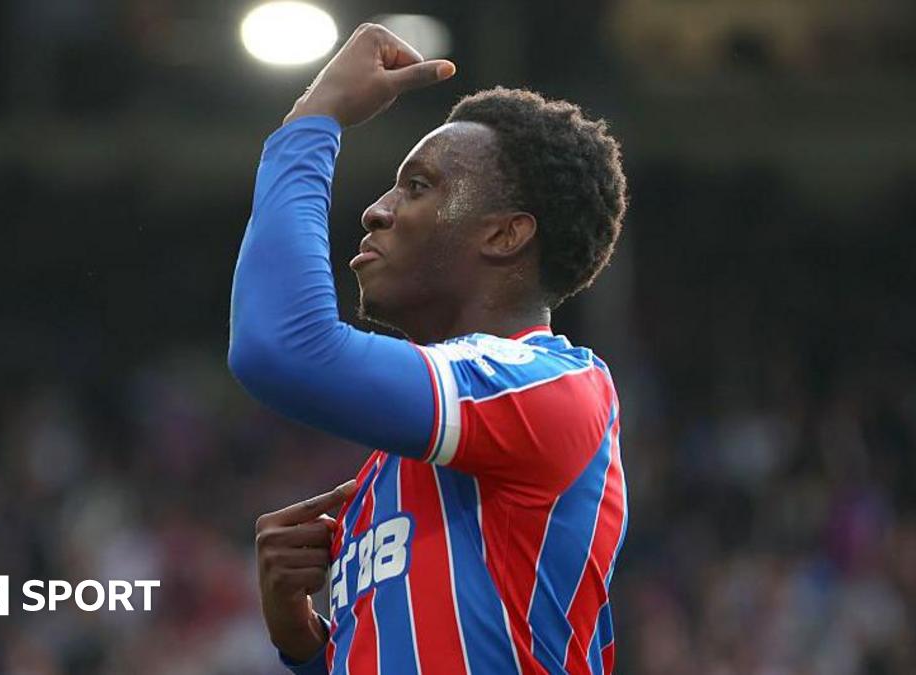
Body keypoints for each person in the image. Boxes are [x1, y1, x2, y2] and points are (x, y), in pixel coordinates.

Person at [231, 23, 629, 675]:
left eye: (417, 187)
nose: (376, 210)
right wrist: (306, 645)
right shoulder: (383, 477)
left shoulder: (552, 388)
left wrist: (313, 119)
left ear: (503, 234)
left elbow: (281, 348)